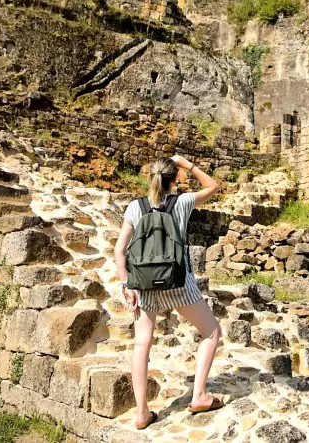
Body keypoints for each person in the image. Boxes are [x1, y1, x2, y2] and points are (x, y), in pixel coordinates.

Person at [114, 155, 223, 430]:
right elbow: (213, 186)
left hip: (144, 284)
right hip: (179, 283)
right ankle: (199, 395)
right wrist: (188, 165)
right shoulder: (183, 202)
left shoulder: (135, 207)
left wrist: (125, 284)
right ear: (174, 180)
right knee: (211, 332)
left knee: (142, 344)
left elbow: (119, 250)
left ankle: (141, 413)